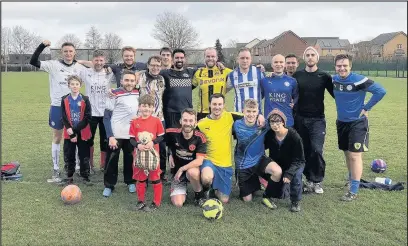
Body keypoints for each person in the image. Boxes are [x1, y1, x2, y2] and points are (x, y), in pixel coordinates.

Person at [29, 40, 87, 183]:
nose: (68, 53)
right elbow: (33, 61)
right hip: (57, 106)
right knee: (57, 137)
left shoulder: (80, 67)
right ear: (62, 52)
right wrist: (42, 45)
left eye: (71, 51)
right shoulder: (54, 65)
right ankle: (56, 168)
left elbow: (94, 70)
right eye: (65, 51)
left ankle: (78, 167)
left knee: (75, 136)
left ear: (75, 53)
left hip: (75, 107)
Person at [332, 54, 386, 202]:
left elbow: (381, 91)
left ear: (350, 66)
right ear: (335, 67)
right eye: (339, 66)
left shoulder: (360, 80)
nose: (342, 68)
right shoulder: (333, 80)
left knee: (355, 155)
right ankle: (351, 180)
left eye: (345, 65)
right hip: (341, 122)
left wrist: (366, 107)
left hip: (357, 123)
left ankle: (353, 190)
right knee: (347, 154)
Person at [292, 46, 334, 194]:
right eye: (307, 55)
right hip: (300, 119)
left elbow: (337, 95)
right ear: (304, 58)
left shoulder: (324, 76)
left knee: (316, 150)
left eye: (312, 55)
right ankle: (306, 180)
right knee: (304, 150)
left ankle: (316, 181)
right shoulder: (297, 75)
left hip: (317, 120)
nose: (310, 57)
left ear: (317, 58)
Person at [197, 93, 250, 203]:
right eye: (214, 104)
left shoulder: (230, 116)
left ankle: (215, 190)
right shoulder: (202, 124)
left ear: (224, 105)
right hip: (209, 160)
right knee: (207, 178)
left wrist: (259, 116)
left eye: (220, 104)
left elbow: (248, 116)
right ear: (210, 105)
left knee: (224, 200)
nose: (217, 107)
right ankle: (205, 190)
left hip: (225, 164)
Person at [233, 99, 282, 202]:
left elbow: (279, 118)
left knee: (277, 171)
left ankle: (268, 194)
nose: (251, 114)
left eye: (254, 111)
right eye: (248, 111)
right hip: (243, 165)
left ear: (258, 111)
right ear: (243, 111)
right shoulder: (236, 124)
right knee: (248, 200)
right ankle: (253, 181)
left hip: (259, 160)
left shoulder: (263, 124)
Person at [102, 70, 139, 197]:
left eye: (132, 80)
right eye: (127, 80)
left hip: (131, 134)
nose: (129, 83)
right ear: (121, 81)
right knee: (111, 160)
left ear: (136, 82)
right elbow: (106, 117)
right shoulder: (114, 94)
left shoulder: (138, 92)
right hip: (116, 134)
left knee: (130, 159)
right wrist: (110, 136)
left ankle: (130, 182)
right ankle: (109, 185)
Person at [263, 109, 305, 212]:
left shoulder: (294, 136)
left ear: (283, 122)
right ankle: (270, 194)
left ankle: (295, 201)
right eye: (272, 122)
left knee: (295, 177)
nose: (275, 124)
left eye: (278, 121)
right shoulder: (270, 134)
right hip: (279, 163)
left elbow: (299, 159)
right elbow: (262, 146)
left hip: (295, 163)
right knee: (279, 193)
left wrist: (289, 173)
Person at [129, 94, 165, 212]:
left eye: (149, 106)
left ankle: (156, 202)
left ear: (153, 108)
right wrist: (138, 145)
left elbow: (161, 137)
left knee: (155, 178)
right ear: (139, 107)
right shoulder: (135, 122)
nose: (146, 109)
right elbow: (131, 139)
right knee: (141, 178)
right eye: (144, 106)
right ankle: (140, 201)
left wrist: (153, 142)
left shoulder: (156, 121)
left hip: (153, 156)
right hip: (139, 156)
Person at [80, 50, 114, 173]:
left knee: (105, 140)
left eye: (101, 60)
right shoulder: (85, 72)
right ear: (92, 60)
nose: (98, 63)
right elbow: (75, 63)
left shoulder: (109, 72)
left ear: (104, 61)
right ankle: (90, 165)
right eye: (96, 60)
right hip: (90, 113)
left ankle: (103, 165)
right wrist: (86, 62)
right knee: (89, 140)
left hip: (105, 112)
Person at [166, 108, 207, 207]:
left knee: (192, 172)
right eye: (185, 120)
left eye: (190, 120)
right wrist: (170, 154)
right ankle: (183, 189)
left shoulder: (200, 137)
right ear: (180, 121)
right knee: (178, 203)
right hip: (178, 174)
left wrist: (182, 168)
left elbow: (199, 161)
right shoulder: (172, 133)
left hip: (192, 170)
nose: (187, 123)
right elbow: (167, 144)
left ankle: (199, 195)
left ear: (195, 123)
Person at [138, 55, 168, 182]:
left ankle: (161, 173)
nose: (155, 67)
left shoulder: (162, 79)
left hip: (159, 118)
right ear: (148, 65)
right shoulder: (140, 77)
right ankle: (143, 173)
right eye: (153, 65)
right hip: (144, 118)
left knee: (161, 147)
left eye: (158, 65)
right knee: (144, 145)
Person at [60, 75, 92, 185]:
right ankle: (69, 176)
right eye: (72, 84)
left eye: (77, 84)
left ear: (80, 85)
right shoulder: (64, 99)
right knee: (69, 154)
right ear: (68, 85)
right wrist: (70, 130)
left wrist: (75, 131)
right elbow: (63, 116)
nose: (74, 86)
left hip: (82, 132)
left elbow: (88, 117)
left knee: (84, 154)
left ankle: (85, 176)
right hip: (69, 132)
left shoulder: (85, 99)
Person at [192, 47, 233, 121]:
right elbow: (188, 87)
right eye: (208, 56)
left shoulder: (224, 71)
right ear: (204, 58)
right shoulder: (198, 73)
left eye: (213, 56)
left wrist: (260, 68)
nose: (210, 58)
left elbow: (241, 71)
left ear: (217, 58)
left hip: (220, 112)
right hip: (202, 113)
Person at [161, 48, 197, 129]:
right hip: (171, 114)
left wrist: (219, 64)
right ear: (172, 59)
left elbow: (205, 68)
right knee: (172, 139)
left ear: (185, 59)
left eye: (181, 58)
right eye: (177, 58)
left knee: (186, 139)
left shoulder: (190, 73)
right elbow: (150, 72)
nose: (179, 60)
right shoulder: (165, 73)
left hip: (187, 113)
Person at [78, 46, 147, 87]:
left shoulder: (141, 66)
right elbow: (97, 64)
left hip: (137, 99)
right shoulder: (116, 67)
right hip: (121, 100)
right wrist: (80, 62)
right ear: (122, 56)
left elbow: (155, 67)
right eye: (126, 56)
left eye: (131, 56)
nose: (129, 58)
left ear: (134, 56)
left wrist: (139, 73)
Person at [261, 54, 298, 127]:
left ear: (284, 64)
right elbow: (259, 97)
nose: (278, 64)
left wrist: (294, 103)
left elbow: (296, 97)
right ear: (272, 64)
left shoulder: (292, 81)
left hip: (287, 121)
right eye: (276, 62)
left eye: (281, 62)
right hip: (270, 121)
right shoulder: (264, 80)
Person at [227, 47, 264, 113]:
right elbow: (225, 90)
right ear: (237, 59)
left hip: (256, 115)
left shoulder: (259, 72)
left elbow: (266, 89)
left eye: (247, 58)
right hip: (239, 114)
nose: (245, 61)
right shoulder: (232, 75)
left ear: (251, 59)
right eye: (242, 58)